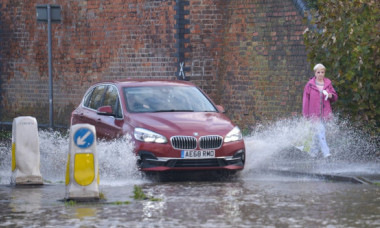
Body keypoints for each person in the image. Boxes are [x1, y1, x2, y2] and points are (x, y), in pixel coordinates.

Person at [302, 63, 338, 158]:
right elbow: (306, 101)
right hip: (314, 114)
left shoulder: (328, 83)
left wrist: (331, 95)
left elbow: (334, 96)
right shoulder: (309, 85)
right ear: (315, 73)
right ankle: (326, 152)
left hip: (325, 114)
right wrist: (306, 116)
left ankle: (313, 152)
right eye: (318, 72)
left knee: (317, 134)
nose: (321, 74)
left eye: (322, 72)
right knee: (320, 131)